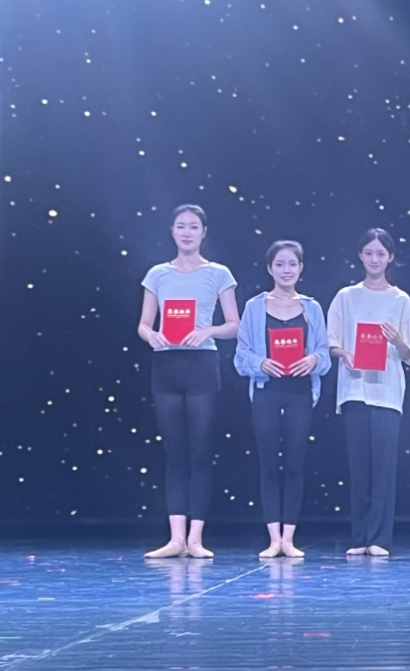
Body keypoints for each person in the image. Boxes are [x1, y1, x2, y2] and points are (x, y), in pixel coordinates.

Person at [137, 204, 239, 558]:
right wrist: (151, 335)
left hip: (201, 364)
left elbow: (234, 325)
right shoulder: (157, 274)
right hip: (166, 365)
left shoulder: (218, 273)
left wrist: (207, 331)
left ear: (203, 232)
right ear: (172, 231)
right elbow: (143, 324)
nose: (187, 232)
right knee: (174, 453)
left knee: (200, 451)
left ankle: (196, 539)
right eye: (181, 226)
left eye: (193, 226)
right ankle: (175, 538)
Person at [235, 240, 331, 558]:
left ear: (301, 268)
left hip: (300, 394)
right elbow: (240, 356)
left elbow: (324, 355)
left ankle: (288, 539)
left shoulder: (312, 308)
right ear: (270, 268)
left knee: (293, 464)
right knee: (268, 465)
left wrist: (314, 360)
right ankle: (273, 538)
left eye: (292, 264)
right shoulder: (254, 307)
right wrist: (260, 363)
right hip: (266, 392)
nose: (286, 270)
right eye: (280, 264)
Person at [327, 228, 410, 557]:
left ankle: (380, 539)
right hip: (354, 390)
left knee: (383, 469)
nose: (375, 259)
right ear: (360, 256)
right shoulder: (346, 296)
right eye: (369, 253)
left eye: (381, 253)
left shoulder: (400, 299)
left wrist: (397, 341)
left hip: (387, 393)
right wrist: (345, 354)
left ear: (390, 257)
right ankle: (359, 537)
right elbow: (331, 341)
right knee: (359, 467)